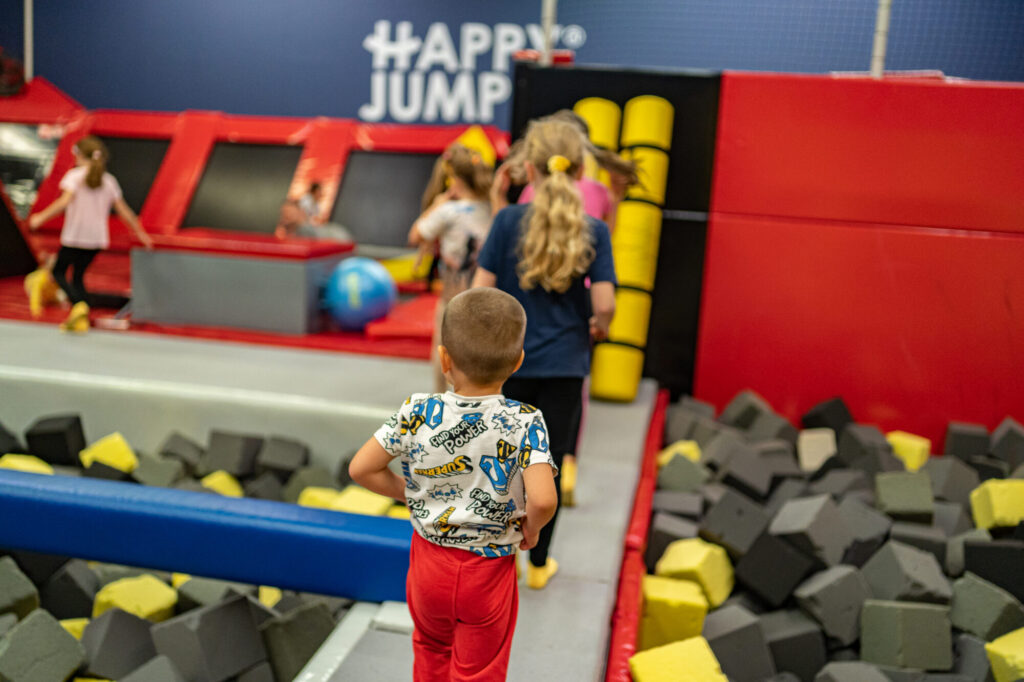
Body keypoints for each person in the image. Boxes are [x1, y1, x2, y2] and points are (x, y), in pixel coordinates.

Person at [349, 287, 558, 682]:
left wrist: (410, 493)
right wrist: (531, 529)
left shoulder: (417, 410)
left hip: (429, 566)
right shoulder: (525, 421)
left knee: (431, 650)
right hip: (488, 571)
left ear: (444, 358)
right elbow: (544, 500)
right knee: (478, 670)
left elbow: (361, 468)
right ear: (518, 361)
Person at [472, 117, 617, 589]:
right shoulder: (593, 229)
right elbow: (605, 302)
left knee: (501, 462)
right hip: (565, 365)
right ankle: (537, 564)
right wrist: (599, 327)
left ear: (529, 170)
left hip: (508, 363)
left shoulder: (507, 221)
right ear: (580, 171)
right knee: (544, 466)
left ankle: (500, 555)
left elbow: (480, 292)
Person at [28, 135, 153, 332]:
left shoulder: (74, 177)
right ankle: (81, 318)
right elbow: (125, 212)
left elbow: (63, 202)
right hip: (96, 240)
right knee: (78, 276)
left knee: (58, 272)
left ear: (80, 156)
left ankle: (79, 305)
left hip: (75, 236)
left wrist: (40, 218)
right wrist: (142, 234)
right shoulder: (109, 181)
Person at [409, 144, 493, 393]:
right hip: (484, 298)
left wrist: (436, 204)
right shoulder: (491, 208)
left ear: (454, 179)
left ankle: (444, 402)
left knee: (444, 353)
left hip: (453, 299)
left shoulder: (447, 211)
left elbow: (415, 235)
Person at [491, 109, 637, 231]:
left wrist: (498, 197)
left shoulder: (533, 189)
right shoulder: (599, 192)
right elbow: (603, 239)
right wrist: (615, 198)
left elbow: (509, 236)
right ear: (581, 162)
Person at [274, 198, 352, 242]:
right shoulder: (285, 238)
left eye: (289, 213)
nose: (284, 217)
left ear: (302, 213)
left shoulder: (332, 231)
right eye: (283, 214)